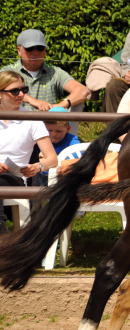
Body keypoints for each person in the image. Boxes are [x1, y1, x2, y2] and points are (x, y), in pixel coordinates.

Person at [0, 71, 58, 234]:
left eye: (23, 89)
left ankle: (3, 241)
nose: (21, 95)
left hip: (14, 178)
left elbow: (52, 159)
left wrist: (37, 167)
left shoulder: (32, 119)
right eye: (14, 91)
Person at [0, 29, 90, 111]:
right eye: (29, 48)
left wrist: (61, 105)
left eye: (40, 48)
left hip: (49, 126)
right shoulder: (8, 72)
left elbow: (83, 90)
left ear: (45, 50)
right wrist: (32, 101)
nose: (35, 52)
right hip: (18, 125)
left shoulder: (54, 72)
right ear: (19, 50)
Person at [38, 107, 81, 186]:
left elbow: (76, 156)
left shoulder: (72, 140)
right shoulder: (40, 139)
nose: (54, 134)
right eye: (49, 130)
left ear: (68, 129)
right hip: (43, 175)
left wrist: (49, 160)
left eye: (58, 131)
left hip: (63, 177)